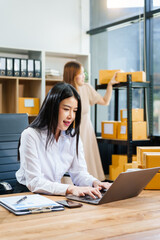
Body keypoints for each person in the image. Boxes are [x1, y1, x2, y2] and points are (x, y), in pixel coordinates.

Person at [16, 82, 111, 198]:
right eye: (66, 109)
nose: (71, 116)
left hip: (54, 194)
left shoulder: (72, 136)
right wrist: (71, 188)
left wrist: (95, 183)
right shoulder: (31, 135)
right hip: (28, 194)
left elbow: (79, 173)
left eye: (75, 111)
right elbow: (34, 182)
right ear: (52, 108)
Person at [63, 61, 119, 181]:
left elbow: (105, 101)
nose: (84, 76)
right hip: (70, 131)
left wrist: (110, 85)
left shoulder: (86, 88)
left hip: (86, 130)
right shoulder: (63, 91)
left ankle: (91, 185)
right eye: (81, 73)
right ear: (73, 75)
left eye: (84, 73)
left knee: (88, 159)